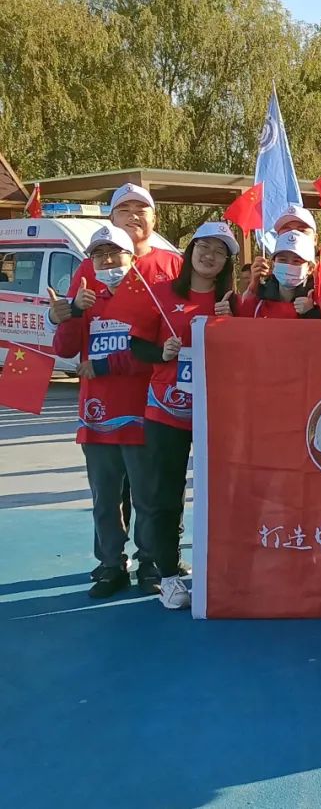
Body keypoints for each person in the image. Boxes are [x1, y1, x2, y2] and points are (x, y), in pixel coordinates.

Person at [127, 221, 239, 610]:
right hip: (166, 411)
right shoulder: (161, 294)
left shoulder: (233, 303)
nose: (210, 255)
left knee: (221, 495)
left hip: (217, 414)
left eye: (220, 251)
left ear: (227, 263)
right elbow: (137, 345)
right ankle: (168, 575)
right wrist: (162, 353)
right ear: (190, 252)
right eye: (204, 247)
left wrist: (232, 323)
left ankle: (220, 570)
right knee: (165, 496)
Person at [46, 224, 158, 597]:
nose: (108, 261)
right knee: (105, 500)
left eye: (115, 254)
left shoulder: (148, 298)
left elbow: (154, 355)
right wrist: (71, 314)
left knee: (146, 497)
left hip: (142, 413)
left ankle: (150, 561)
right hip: (96, 417)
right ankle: (111, 564)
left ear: (131, 257)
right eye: (99, 255)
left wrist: (107, 364)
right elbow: (64, 350)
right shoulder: (85, 300)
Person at [70, 183, 182, 293]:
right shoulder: (91, 266)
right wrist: (70, 304)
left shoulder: (174, 263)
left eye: (141, 211)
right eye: (124, 211)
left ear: (154, 220)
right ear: (111, 219)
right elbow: (70, 303)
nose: (133, 217)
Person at [236, 231, 321, 319]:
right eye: (282, 260)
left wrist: (311, 312)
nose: (288, 265)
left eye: (296, 261)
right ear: (273, 265)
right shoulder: (260, 300)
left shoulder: (318, 301)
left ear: (310, 268)